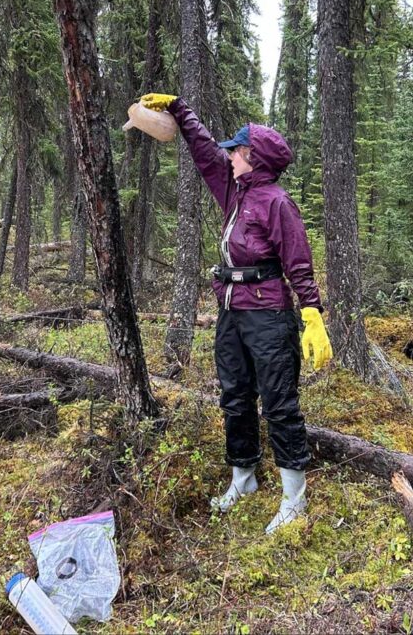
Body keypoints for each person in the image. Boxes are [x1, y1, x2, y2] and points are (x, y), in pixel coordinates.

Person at [139, 92, 333, 534]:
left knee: (280, 403)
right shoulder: (234, 192)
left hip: (269, 317)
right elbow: (206, 152)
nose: (228, 156)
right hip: (231, 314)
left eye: (236, 151)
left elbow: (299, 263)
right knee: (235, 396)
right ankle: (243, 478)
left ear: (253, 156)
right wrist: (180, 110)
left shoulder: (276, 203)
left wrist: (312, 316)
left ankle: (293, 500)